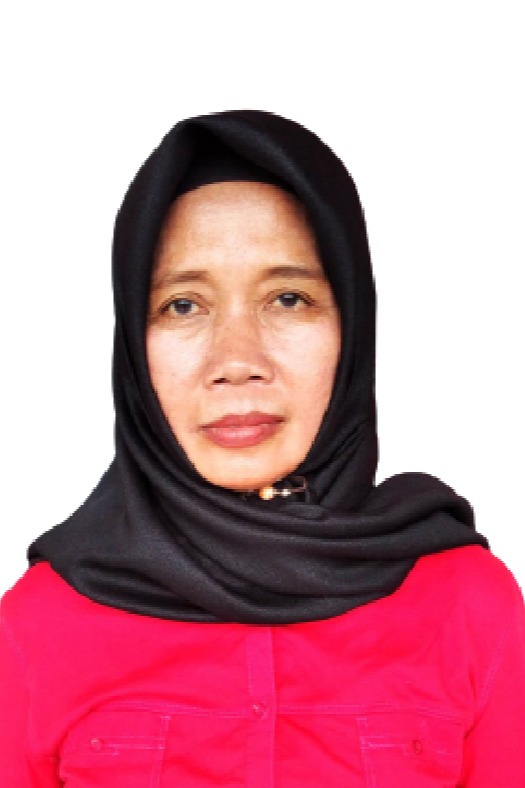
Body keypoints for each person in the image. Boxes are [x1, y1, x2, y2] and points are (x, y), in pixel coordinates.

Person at [1, 109, 524, 786]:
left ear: (352, 328)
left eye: (288, 298)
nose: (237, 361)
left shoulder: (466, 605)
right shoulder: (40, 626)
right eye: (183, 305)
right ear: (132, 344)